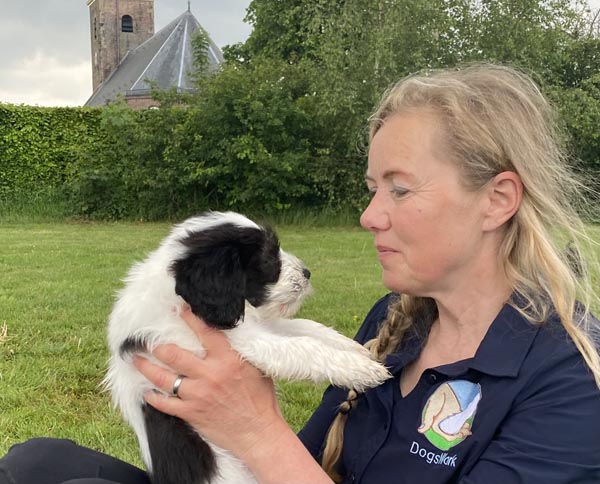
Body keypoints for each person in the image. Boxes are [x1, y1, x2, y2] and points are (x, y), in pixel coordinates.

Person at [1, 63, 599, 484]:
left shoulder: (570, 382)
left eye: (399, 189)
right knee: (37, 464)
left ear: (497, 200)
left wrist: (257, 431)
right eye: (372, 188)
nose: (369, 216)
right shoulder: (401, 320)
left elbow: (276, 452)